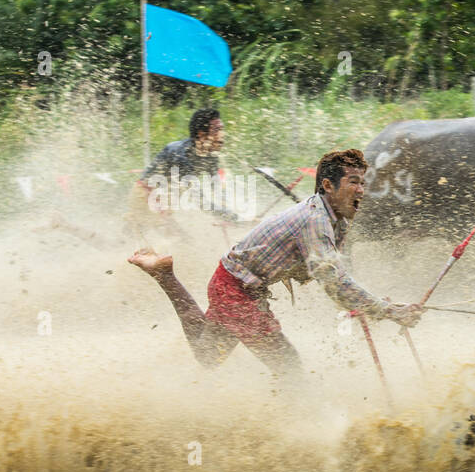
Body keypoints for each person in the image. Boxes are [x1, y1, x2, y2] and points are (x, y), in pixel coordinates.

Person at [127, 148, 424, 376]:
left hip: (241, 284)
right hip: (235, 287)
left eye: (363, 182)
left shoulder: (337, 220)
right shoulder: (315, 221)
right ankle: (296, 436)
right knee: (289, 366)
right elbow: (335, 285)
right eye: (353, 181)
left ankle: (165, 275)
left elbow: (338, 276)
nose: (361, 189)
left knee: (208, 356)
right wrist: (385, 310)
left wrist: (371, 302)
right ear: (328, 186)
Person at [126, 107, 233, 242]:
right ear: (201, 134)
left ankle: (107, 243)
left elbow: (216, 187)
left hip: (163, 201)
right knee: (183, 242)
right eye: (217, 130)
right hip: (146, 196)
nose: (222, 134)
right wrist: (224, 213)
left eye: (222, 129)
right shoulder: (180, 155)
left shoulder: (211, 156)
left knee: (134, 235)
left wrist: (228, 211)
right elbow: (198, 199)